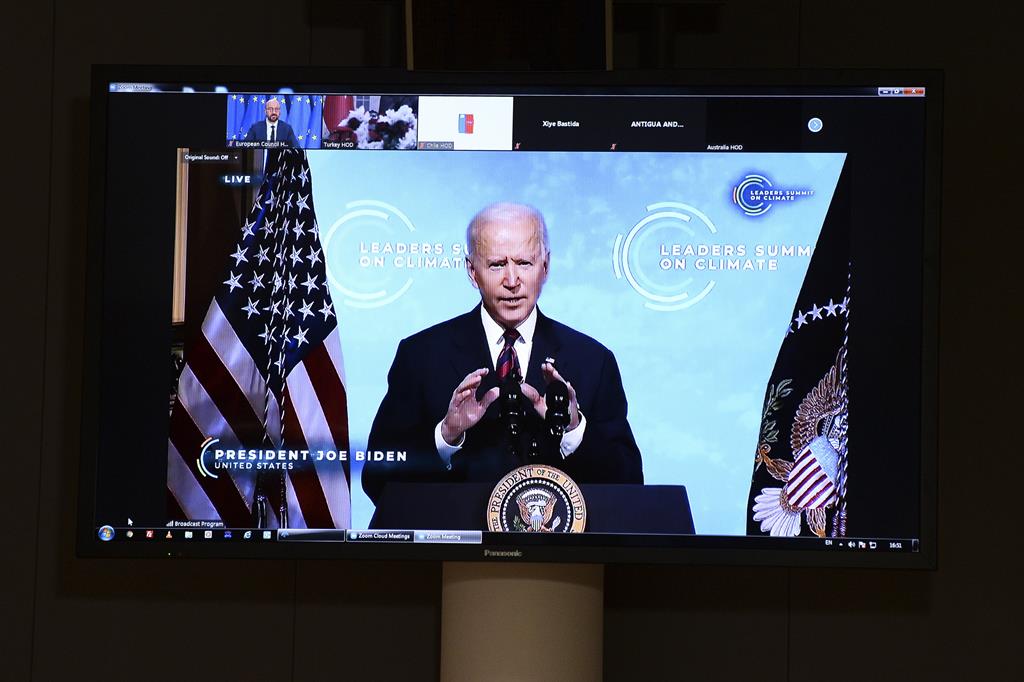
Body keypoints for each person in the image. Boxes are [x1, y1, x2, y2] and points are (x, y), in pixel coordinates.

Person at [362, 203, 643, 503]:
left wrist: (573, 430)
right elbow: (377, 480)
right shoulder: (420, 356)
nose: (512, 281)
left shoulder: (592, 361)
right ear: (472, 271)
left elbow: (629, 484)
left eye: (524, 263)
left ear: (545, 266)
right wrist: (446, 435)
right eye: (497, 264)